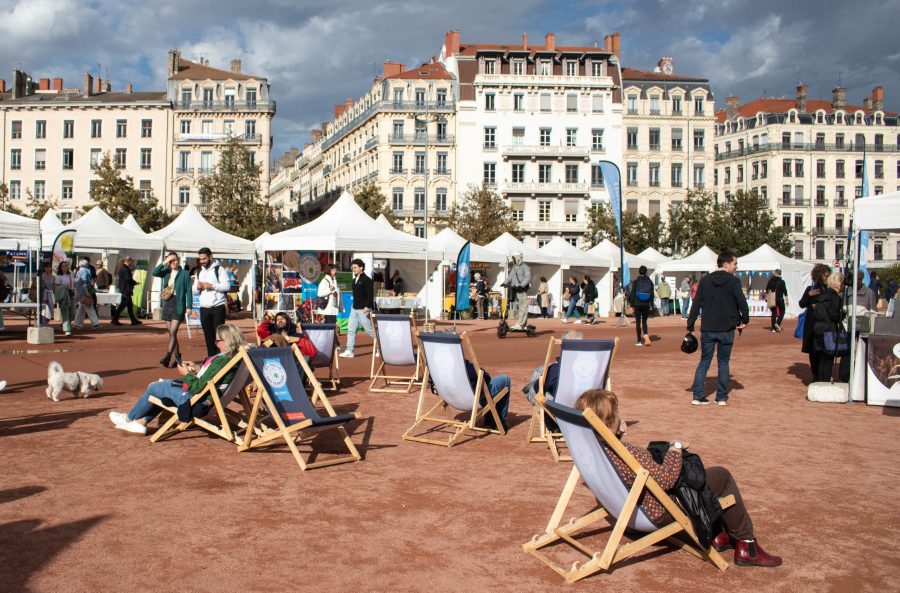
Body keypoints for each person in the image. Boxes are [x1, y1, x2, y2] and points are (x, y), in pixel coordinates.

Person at [574, 389, 782, 567]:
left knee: (699, 479)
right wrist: (676, 450)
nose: (621, 416)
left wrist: (617, 435)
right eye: (617, 413)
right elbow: (667, 480)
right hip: (657, 512)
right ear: (610, 422)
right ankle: (747, 545)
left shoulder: (592, 451)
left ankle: (719, 535)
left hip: (626, 512)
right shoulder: (627, 453)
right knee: (721, 476)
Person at [108, 324, 247, 435]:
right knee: (163, 386)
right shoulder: (234, 358)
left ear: (227, 340)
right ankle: (142, 422)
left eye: (218, 340)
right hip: (210, 398)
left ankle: (128, 419)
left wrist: (185, 373)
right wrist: (198, 368)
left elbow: (197, 387)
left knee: (154, 387)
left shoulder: (221, 360)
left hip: (197, 400)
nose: (216, 344)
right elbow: (216, 377)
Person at [687, 251, 749, 406]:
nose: (736, 266)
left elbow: (696, 304)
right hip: (727, 328)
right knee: (723, 362)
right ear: (726, 263)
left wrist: (690, 325)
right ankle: (721, 397)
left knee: (704, 362)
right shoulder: (733, 281)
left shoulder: (705, 280)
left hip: (708, 328)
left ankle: (697, 395)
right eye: (735, 263)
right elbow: (742, 302)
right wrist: (744, 319)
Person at [154, 252, 193, 368]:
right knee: (172, 334)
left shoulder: (185, 274)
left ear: (179, 261)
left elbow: (189, 291)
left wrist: (189, 306)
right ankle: (178, 357)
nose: (173, 263)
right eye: (171, 261)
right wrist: (164, 262)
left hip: (179, 303)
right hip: (168, 303)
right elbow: (154, 272)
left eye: (175, 260)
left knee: (173, 332)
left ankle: (167, 356)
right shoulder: (166, 272)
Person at [193, 247, 230, 357]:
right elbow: (194, 291)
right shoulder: (199, 271)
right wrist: (198, 287)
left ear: (210, 257)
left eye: (204, 259)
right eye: (200, 259)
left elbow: (227, 286)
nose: (202, 261)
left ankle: (222, 357)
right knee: (208, 336)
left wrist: (212, 286)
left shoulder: (219, 269)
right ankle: (211, 358)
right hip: (204, 308)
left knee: (219, 336)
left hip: (217, 307)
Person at [798, 264, 831, 382]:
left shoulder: (830, 290)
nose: (827, 278)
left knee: (826, 350)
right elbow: (801, 304)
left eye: (828, 276)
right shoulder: (810, 289)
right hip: (812, 325)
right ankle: (816, 375)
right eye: (825, 276)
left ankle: (823, 375)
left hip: (826, 324)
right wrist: (809, 295)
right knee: (813, 351)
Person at [809, 272, 843, 383]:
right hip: (828, 329)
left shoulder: (822, 295)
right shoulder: (834, 297)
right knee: (828, 358)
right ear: (837, 284)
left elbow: (815, 311)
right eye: (842, 283)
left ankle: (819, 380)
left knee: (821, 357)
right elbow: (834, 315)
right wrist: (842, 315)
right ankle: (825, 380)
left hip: (818, 327)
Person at [339, 258, 377, 358]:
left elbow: (370, 295)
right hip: (354, 309)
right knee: (351, 330)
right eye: (352, 267)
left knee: (369, 331)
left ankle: (381, 348)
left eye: (355, 267)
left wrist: (367, 307)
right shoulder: (354, 280)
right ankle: (349, 351)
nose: (353, 269)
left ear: (361, 267)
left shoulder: (367, 280)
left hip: (363, 310)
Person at [111, 257, 141, 326]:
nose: (132, 263)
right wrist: (134, 282)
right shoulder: (126, 269)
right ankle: (115, 319)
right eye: (131, 261)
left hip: (124, 289)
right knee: (123, 305)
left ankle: (133, 320)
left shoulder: (123, 268)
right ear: (127, 261)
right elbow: (128, 279)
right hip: (126, 289)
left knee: (129, 305)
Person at [504, 253, 531, 330]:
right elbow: (511, 276)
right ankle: (523, 324)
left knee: (523, 307)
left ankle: (520, 324)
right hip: (516, 289)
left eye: (514, 258)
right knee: (521, 307)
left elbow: (528, 278)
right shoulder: (515, 267)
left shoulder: (525, 267)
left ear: (518, 258)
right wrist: (505, 282)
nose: (512, 260)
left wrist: (521, 285)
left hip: (522, 289)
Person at [628, 266, 654, 346]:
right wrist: (651, 304)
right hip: (646, 304)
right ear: (646, 272)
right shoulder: (650, 281)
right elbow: (652, 295)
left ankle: (639, 341)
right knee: (644, 321)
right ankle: (645, 335)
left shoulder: (636, 282)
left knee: (638, 322)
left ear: (639, 272)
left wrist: (631, 304)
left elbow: (633, 293)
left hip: (637, 304)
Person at [73, 259, 101, 330]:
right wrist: (87, 293)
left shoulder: (78, 271)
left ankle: (77, 324)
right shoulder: (85, 272)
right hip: (84, 292)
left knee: (81, 308)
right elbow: (84, 283)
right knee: (90, 307)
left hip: (79, 291)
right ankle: (95, 323)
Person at [54, 260, 76, 336]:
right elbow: (56, 287)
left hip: (72, 294)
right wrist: (63, 287)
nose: (65, 267)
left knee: (73, 312)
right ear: (60, 268)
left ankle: (65, 324)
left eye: (66, 266)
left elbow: (74, 284)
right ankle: (67, 329)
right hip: (64, 294)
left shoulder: (71, 274)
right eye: (63, 266)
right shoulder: (59, 277)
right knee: (65, 312)